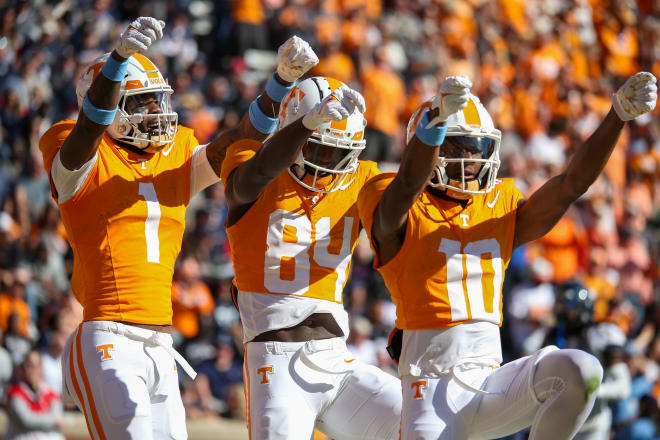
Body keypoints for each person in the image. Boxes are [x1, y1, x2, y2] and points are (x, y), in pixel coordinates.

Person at [38, 15, 319, 439]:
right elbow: (89, 128)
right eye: (141, 102)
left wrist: (279, 83)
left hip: (161, 344)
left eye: (157, 100)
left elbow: (240, 142)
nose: (156, 112)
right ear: (111, 105)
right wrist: (118, 60)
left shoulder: (176, 154)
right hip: (106, 338)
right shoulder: (75, 149)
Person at [357, 72, 657, 439]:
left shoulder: (497, 206)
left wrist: (617, 117)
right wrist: (434, 126)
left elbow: (570, 185)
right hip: (429, 387)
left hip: (491, 381)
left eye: (475, 149)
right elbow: (405, 186)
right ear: (427, 145)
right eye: (456, 148)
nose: (469, 160)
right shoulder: (392, 199)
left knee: (581, 370)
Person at [221, 75, 401, 439]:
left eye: (339, 153)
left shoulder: (362, 178)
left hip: (337, 357)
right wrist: (306, 126)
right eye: (318, 149)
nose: (328, 164)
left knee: (425, 426)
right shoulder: (249, 160)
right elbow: (251, 178)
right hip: (275, 357)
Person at [5, 349, 65, 440]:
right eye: (25, 365)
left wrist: (39, 419)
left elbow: (59, 416)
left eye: (31, 365)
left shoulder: (50, 392)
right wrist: (53, 420)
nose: (28, 370)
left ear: (40, 367)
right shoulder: (14, 391)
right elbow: (26, 420)